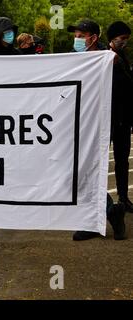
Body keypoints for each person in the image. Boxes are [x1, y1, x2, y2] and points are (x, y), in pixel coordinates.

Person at [66, 20, 126, 241]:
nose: (78, 39)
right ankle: (109, 212)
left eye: (82, 35)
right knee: (81, 172)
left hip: (98, 124)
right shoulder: (74, 56)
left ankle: (100, 217)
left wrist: (115, 63)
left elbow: (121, 87)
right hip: (77, 121)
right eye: (76, 35)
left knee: (87, 170)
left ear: (93, 37)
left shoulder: (106, 56)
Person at [107, 21, 133, 212]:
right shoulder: (104, 57)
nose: (124, 42)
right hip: (108, 118)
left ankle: (123, 197)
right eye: (122, 38)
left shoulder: (122, 57)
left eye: (126, 39)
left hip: (123, 118)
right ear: (113, 37)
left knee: (122, 160)